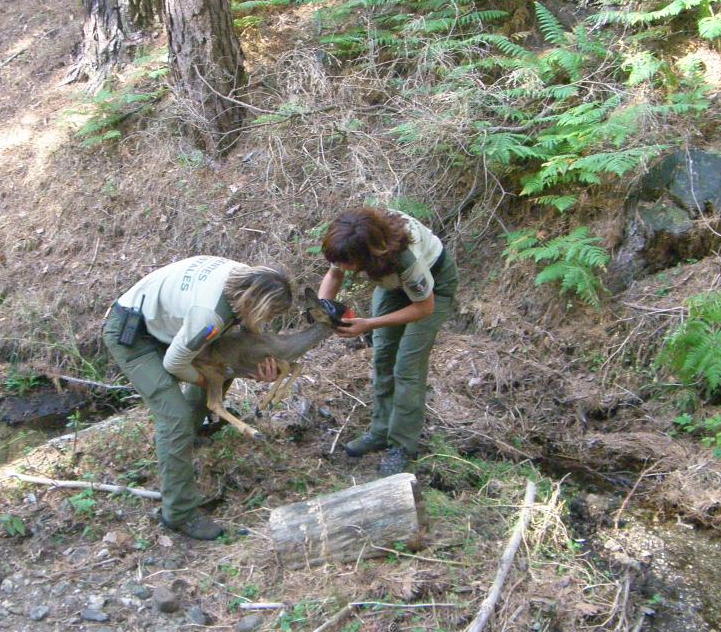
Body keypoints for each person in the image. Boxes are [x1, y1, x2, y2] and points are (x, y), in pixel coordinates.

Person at [103, 257, 292, 539]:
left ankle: (182, 443)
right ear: (256, 304)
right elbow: (175, 364)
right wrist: (208, 379)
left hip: (164, 322)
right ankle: (179, 513)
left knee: (222, 369)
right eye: (269, 316)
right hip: (131, 334)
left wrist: (253, 367)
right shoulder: (209, 317)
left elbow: (236, 344)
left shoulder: (242, 278)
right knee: (174, 417)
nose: (267, 323)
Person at [316, 206, 458, 475]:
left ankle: (402, 445)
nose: (344, 267)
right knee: (383, 356)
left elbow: (423, 308)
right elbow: (334, 274)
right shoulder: (350, 241)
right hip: (392, 284)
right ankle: (380, 431)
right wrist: (324, 307)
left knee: (407, 365)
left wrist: (368, 324)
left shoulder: (404, 258)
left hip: (433, 289)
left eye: (348, 263)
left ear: (367, 255)